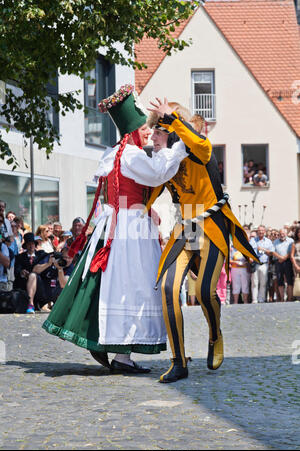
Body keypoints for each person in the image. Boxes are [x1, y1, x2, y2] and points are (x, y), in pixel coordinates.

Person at [42, 84, 187, 374]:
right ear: (133, 130)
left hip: (117, 223)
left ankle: (111, 349)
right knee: (131, 286)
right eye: (144, 129)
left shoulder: (116, 153)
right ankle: (115, 351)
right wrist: (180, 145)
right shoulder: (132, 155)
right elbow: (159, 171)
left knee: (109, 285)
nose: (148, 133)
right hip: (128, 229)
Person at [146, 98, 259, 382]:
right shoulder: (164, 164)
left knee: (207, 291)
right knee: (169, 289)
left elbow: (203, 147)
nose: (152, 137)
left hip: (211, 223)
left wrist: (172, 118)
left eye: (158, 131)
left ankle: (215, 335)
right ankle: (178, 361)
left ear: (172, 130)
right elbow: (145, 197)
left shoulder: (195, 147)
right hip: (185, 227)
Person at [249, 225, 274, 303]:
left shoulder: (268, 241)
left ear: (265, 232)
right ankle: (254, 299)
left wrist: (263, 249)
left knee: (263, 283)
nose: (261, 232)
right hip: (255, 264)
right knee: (254, 283)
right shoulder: (252, 240)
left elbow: (271, 253)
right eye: (259, 230)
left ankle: (261, 299)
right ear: (257, 232)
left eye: (262, 230)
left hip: (264, 264)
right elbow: (249, 251)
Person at [272, 228, 294, 302]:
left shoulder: (291, 241)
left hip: (288, 262)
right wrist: (280, 257)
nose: (282, 235)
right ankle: (282, 298)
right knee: (280, 280)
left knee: (289, 280)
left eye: (283, 233)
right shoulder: (275, 242)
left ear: (286, 233)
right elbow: (273, 251)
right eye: (280, 233)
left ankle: (290, 298)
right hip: (278, 262)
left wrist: (284, 257)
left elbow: (292, 251)